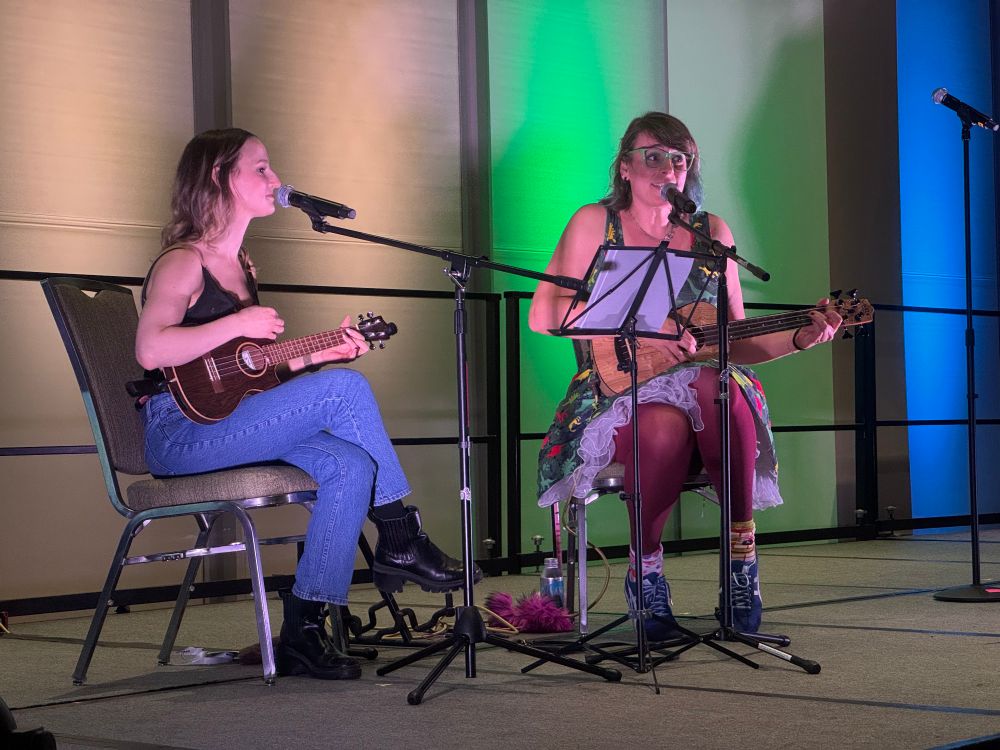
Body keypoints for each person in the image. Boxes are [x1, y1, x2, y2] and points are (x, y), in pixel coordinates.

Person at [134, 128, 477, 679]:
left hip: (230, 420)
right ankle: (399, 535)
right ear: (222, 177)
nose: (275, 179)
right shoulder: (182, 262)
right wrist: (240, 321)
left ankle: (304, 629)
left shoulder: (242, 265)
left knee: (352, 464)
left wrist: (322, 353)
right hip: (180, 435)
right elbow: (150, 348)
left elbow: (251, 375)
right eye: (262, 168)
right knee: (345, 393)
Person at [528, 112, 842, 638]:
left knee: (713, 383)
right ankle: (646, 574)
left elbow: (734, 341)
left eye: (679, 159)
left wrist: (798, 336)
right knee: (663, 422)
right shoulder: (593, 222)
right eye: (653, 156)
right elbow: (545, 316)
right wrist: (647, 335)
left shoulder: (711, 233)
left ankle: (741, 564)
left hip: (705, 390)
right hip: (615, 391)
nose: (667, 168)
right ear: (625, 167)